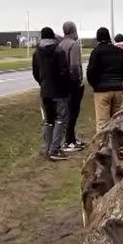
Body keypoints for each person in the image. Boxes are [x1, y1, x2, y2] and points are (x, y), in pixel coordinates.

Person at [31, 26, 72, 161]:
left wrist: (42, 83)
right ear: (53, 36)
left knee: (49, 121)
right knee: (60, 119)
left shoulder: (37, 53)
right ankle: (55, 149)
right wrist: (66, 87)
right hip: (59, 91)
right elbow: (64, 71)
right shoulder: (59, 50)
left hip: (45, 91)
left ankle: (48, 147)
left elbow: (35, 72)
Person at [87, 27, 123, 130]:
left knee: (103, 122)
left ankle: (103, 144)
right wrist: (122, 79)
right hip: (117, 89)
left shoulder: (96, 52)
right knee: (117, 121)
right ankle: (116, 143)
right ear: (109, 37)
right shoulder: (119, 51)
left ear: (98, 38)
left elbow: (90, 71)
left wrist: (95, 85)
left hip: (102, 90)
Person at [58, 20, 85, 151]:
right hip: (73, 83)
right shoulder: (74, 44)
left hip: (62, 83)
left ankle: (71, 139)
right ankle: (69, 141)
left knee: (67, 112)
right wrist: (79, 78)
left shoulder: (60, 44)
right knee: (73, 112)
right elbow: (75, 64)